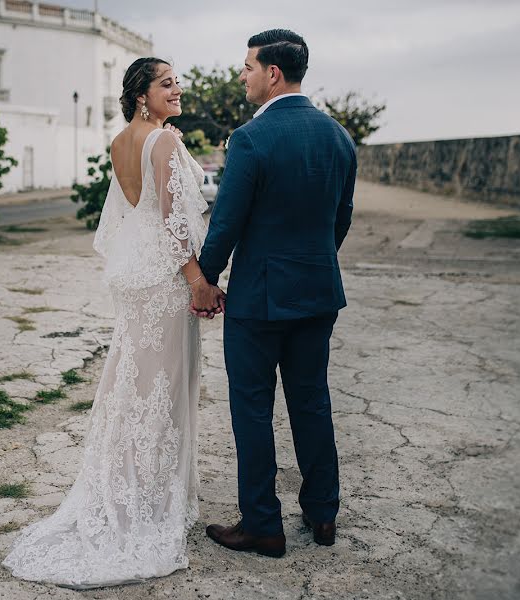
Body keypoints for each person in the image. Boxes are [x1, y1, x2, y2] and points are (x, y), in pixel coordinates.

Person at [2, 57, 222, 589]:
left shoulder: (123, 140)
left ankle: (127, 486)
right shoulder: (164, 142)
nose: (178, 90)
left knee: (134, 387)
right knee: (162, 391)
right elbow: (173, 224)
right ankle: (148, 501)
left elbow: (135, 213)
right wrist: (198, 281)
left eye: (177, 83)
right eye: (166, 83)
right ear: (142, 93)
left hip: (135, 276)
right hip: (166, 281)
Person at [197, 29, 357, 558]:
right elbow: (340, 222)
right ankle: (323, 513)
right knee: (312, 401)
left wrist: (205, 281)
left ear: (272, 73)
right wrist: (310, 265)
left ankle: (264, 525)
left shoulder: (250, 139)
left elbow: (226, 223)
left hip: (260, 300)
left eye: (246, 66)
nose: (241, 75)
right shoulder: (339, 137)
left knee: (252, 408)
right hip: (317, 293)